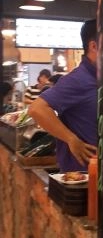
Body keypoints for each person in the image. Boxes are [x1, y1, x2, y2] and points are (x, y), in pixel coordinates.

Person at [28, 20, 98, 172]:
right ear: (94, 46)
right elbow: (37, 109)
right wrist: (71, 139)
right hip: (81, 176)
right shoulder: (78, 79)